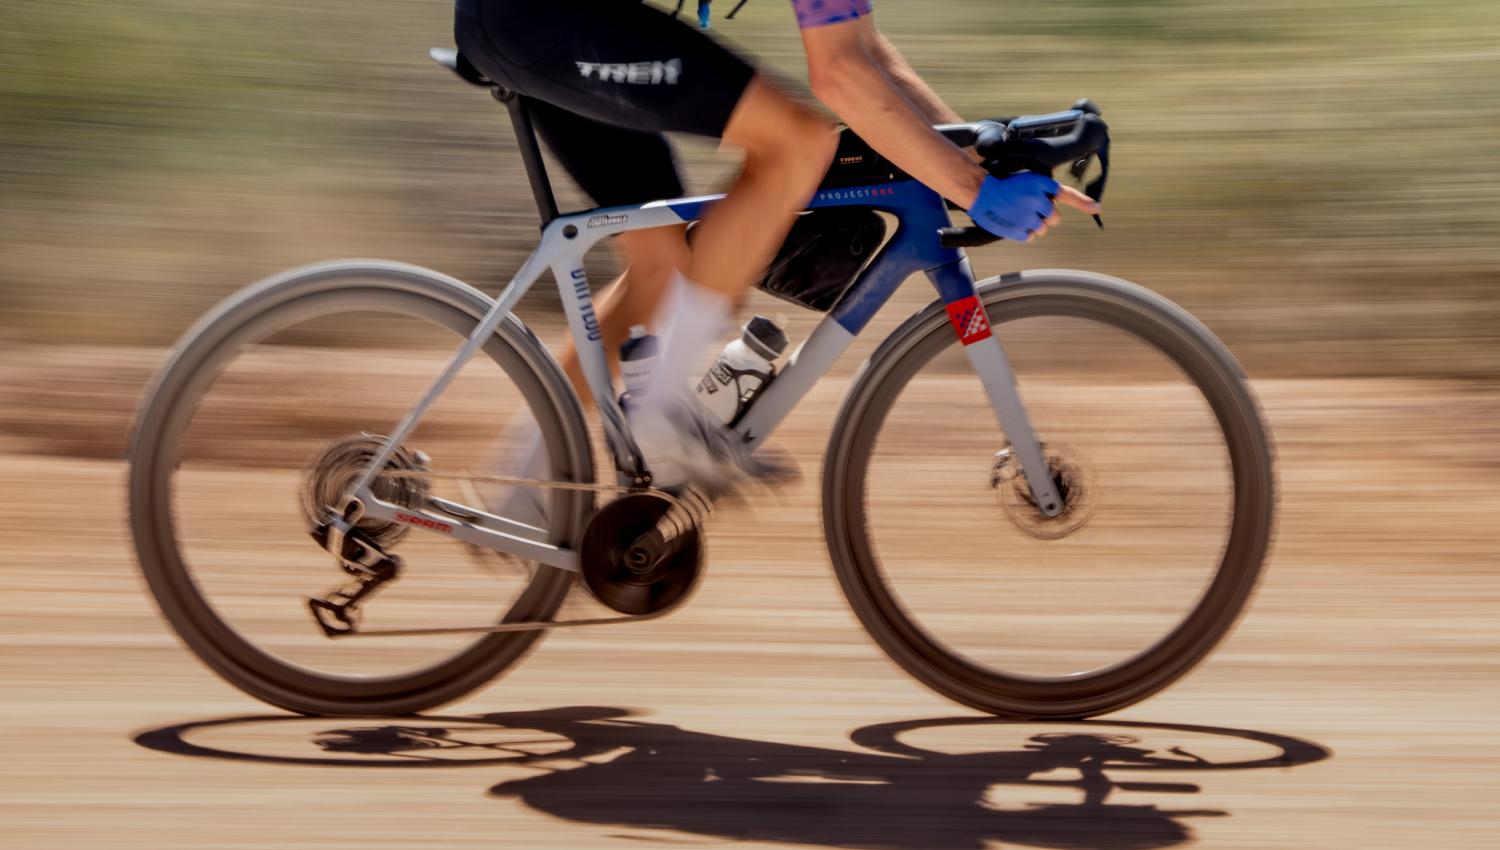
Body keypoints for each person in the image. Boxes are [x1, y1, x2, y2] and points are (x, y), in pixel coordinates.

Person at [452, 0, 1100, 508]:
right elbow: (841, 75)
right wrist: (971, 189)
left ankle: (522, 493)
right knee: (796, 143)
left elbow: (867, 51)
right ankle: (660, 414)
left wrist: (981, 158)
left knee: (663, 268)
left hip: (551, 21)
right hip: (541, 20)